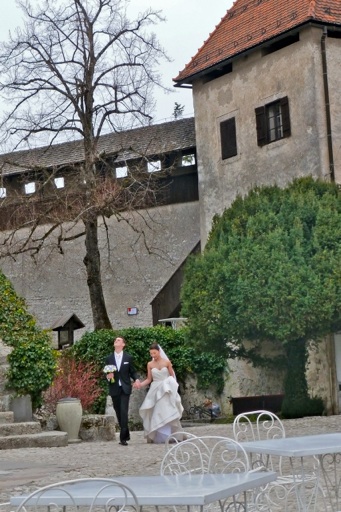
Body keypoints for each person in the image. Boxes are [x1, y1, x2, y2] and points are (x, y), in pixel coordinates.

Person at [137, 343, 183, 443]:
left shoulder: (167, 362)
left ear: (159, 352)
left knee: (167, 409)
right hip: (155, 388)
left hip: (166, 389)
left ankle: (170, 433)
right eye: (151, 353)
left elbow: (172, 376)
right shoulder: (150, 364)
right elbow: (149, 379)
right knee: (157, 410)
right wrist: (140, 384)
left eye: (154, 353)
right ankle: (161, 434)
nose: (153, 355)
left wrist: (173, 388)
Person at [105, 336, 140, 446]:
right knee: (118, 411)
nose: (116, 341)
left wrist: (137, 379)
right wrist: (108, 376)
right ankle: (126, 433)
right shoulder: (109, 358)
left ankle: (122, 438)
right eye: (115, 340)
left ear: (123, 344)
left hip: (125, 388)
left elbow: (132, 371)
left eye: (119, 340)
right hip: (114, 388)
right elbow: (105, 373)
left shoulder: (128, 358)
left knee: (124, 411)